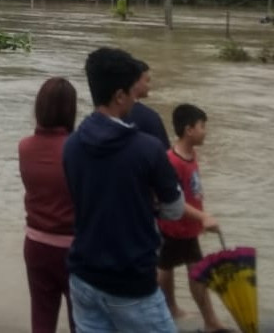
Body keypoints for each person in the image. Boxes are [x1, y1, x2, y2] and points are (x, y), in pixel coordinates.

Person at [62, 47, 184, 333]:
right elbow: (175, 209)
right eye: (132, 91)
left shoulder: (72, 146)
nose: (134, 98)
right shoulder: (147, 148)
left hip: (82, 278)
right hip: (132, 283)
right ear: (119, 96)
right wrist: (148, 203)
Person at [157, 104, 227, 333]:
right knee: (195, 270)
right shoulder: (173, 161)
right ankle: (210, 322)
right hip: (176, 226)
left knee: (167, 266)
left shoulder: (190, 155)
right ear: (189, 130)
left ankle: (169, 310)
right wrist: (203, 216)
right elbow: (172, 199)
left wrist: (201, 220)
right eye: (202, 126)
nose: (205, 131)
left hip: (187, 226)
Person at [18, 77, 77, 333]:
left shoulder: (25, 147)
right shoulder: (78, 149)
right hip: (74, 247)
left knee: (41, 320)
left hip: (36, 244)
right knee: (82, 321)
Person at [127, 62, 170, 147]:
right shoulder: (150, 117)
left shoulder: (112, 113)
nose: (149, 86)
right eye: (147, 81)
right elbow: (164, 153)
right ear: (135, 83)